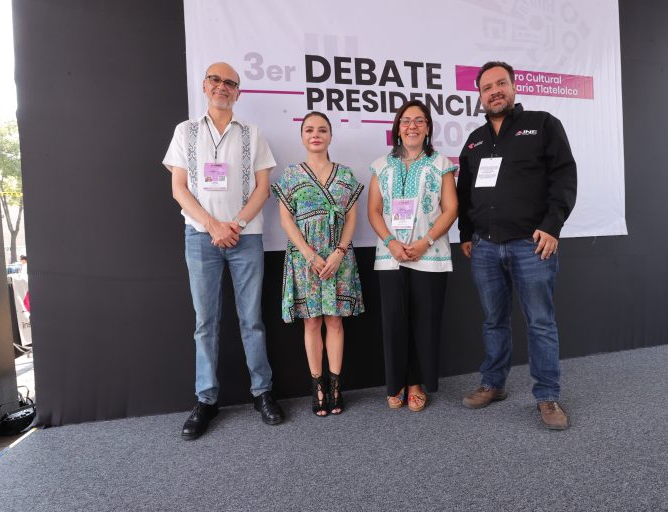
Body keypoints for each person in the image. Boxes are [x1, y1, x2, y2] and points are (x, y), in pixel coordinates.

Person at [163, 62, 284, 439]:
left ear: (238, 92)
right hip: (201, 238)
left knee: (251, 320)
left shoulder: (253, 133)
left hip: (246, 238)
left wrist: (236, 225)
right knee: (205, 324)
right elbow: (179, 188)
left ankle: (262, 393)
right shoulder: (186, 132)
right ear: (205, 85)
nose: (222, 87)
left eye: (230, 83)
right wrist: (214, 225)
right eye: (216, 80)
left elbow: (263, 188)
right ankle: (206, 400)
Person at [457, 61, 577, 430]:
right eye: (487, 87)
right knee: (494, 320)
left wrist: (552, 226)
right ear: (479, 95)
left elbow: (564, 176)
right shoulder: (475, 140)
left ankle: (547, 396)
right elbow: (464, 192)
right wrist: (465, 235)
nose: (495, 91)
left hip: (532, 244)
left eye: (501, 84)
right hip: (485, 248)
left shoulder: (542, 124)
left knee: (540, 322)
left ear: (513, 87)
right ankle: (493, 384)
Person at [272, 112, 364, 416]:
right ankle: (318, 387)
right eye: (310, 130)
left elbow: (352, 216)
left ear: (330, 136)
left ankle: (336, 386)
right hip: (305, 258)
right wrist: (309, 254)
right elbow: (286, 218)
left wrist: (339, 251)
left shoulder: (346, 175)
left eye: (322, 130)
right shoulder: (291, 175)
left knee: (335, 320)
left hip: (339, 257)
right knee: (311, 321)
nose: (316, 134)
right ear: (302, 136)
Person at [368, 100, 458, 412]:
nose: (412, 126)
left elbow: (451, 209)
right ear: (397, 128)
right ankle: (395, 383)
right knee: (394, 321)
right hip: (390, 255)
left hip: (429, 254)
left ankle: (416, 382)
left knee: (424, 322)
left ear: (428, 128)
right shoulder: (381, 165)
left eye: (419, 121)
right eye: (406, 121)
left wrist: (426, 241)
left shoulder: (441, 163)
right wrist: (392, 241)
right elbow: (374, 211)